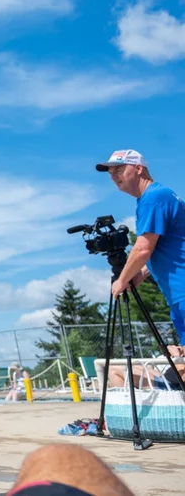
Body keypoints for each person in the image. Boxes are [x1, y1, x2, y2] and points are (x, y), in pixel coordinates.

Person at [98, 150, 185, 344]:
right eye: (110, 173)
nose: (113, 176)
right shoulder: (154, 197)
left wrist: (122, 280)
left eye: (119, 170)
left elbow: (143, 249)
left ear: (138, 168)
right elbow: (165, 245)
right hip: (177, 295)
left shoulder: (154, 197)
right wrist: (141, 273)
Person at [107, 344, 185, 390]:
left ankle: (124, 408)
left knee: (113, 369)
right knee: (129, 365)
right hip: (166, 378)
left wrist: (176, 356)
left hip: (170, 386)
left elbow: (183, 379)